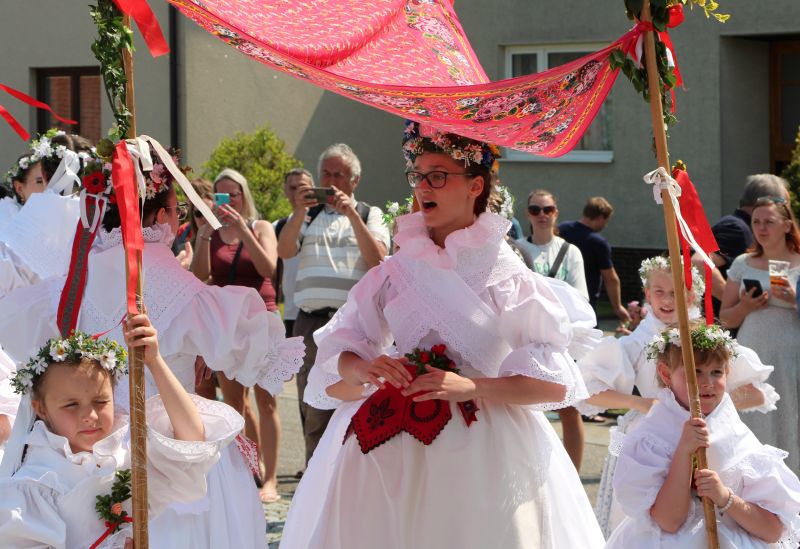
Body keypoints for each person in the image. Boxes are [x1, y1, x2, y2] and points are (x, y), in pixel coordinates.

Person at [281, 121, 604, 549]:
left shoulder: (506, 274)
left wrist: (472, 386)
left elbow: (552, 384)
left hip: (484, 448)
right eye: (417, 176)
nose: (422, 187)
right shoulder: (397, 269)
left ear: (475, 185)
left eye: (437, 176)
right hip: (391, 446)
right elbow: (340, 349)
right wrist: (363, 366)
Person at [0, 144, 303, 546]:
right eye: (179, 210)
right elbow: (262, 353)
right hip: (178, 456)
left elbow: (21, 336)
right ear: (161, 215)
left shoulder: (70, 284)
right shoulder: (181, 287)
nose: (180, 219)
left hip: (85, 457)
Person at [0, 317, 244, 548]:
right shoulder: (35, 485)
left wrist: (155, 361)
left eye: (100, 402)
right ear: (40, 408)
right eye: (71, 405)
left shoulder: (128, 459)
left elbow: (191, 441)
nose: (90, 416)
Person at [578, 255, 777, 536]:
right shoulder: (637, 342)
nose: (668, 299)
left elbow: (755, 394)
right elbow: (588, 390)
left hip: (704, 433)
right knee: (644, 516)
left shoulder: (707, 339)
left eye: (676, 292)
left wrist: (708, 402)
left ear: (692, 295)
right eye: (659, 291)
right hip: (652, 434)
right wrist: (641, 403)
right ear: (647, 294)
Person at [605, 323, 800, 548]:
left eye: (716, 372)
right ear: (665, 373)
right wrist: (684, 452)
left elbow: (772, 531)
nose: (707, 383)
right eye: (695, 372)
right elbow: (669, 522)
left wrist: (724, 497)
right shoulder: (651, 439)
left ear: (727, 373)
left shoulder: (738, 437)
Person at [277, 143, 390, 467]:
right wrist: (300, 211)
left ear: (355, 180)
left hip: (353, 327)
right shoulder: (308, 215)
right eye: (325, 174)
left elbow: (378, 258)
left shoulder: (369, 213)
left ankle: (349, 477)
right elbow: (284, 251)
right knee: (314, 408)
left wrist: (351, 214)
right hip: (311, 323)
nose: (330, 181)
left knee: (357, 403)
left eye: (338, 174)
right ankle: (314, 475)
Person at [189, 167, 283, 503]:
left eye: (234, 194)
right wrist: (203, 234)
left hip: (262, 321)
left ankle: (270, 479)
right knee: (234, 405)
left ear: (244, 196)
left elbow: (268, 268)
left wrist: (243, 230)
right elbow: (199, 276)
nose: (228, 200)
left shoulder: (260, 227)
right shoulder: (211, 233)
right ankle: (242, 473)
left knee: (267, 402)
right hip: (227, 325)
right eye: (222, 195)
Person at [720, 196, 800, 472]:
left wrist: (794, 299)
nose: (761, 228)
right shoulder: (743, 263)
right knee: (752, 415)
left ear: (787, 225)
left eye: (769, 222)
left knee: (789, 413)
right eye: (756, 222)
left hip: (791, 354)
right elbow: (724, 318)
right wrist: (745, 306)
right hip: (753, 350)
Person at [516, 188, 591, 470]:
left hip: (560, 339)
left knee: (569, 408)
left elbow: (580, 298)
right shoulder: (516, 248)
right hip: (524, 337)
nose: (542, 215)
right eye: (535, 210)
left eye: (547, 209)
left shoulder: (570, 252)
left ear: (556, 213)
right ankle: (530, 471)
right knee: (522, 408)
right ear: (528, 214)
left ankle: (573, 474)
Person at [700, 174, 791, 316]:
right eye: (783, 204)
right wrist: (734, 304)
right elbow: (700, 262)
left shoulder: (741, 226)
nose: (787, 210)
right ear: (766, 202)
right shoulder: (737, 228)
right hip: (720, 323)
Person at [559, 196, 630, 325]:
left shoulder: (562, 229)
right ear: (601, 217)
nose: (605, 225)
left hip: (559, 296)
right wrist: (617, 307)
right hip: (584, 302)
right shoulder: (598, 242)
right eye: (606, 221)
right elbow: (610, 278)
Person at [274, 168, 314, 338]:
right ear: (285, 191)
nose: (298, 192)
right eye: (292, 188)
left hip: (323, 311)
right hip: (292, 312)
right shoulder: (277, 226)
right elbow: (274, 271)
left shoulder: (324, 221)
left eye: (303, 187)